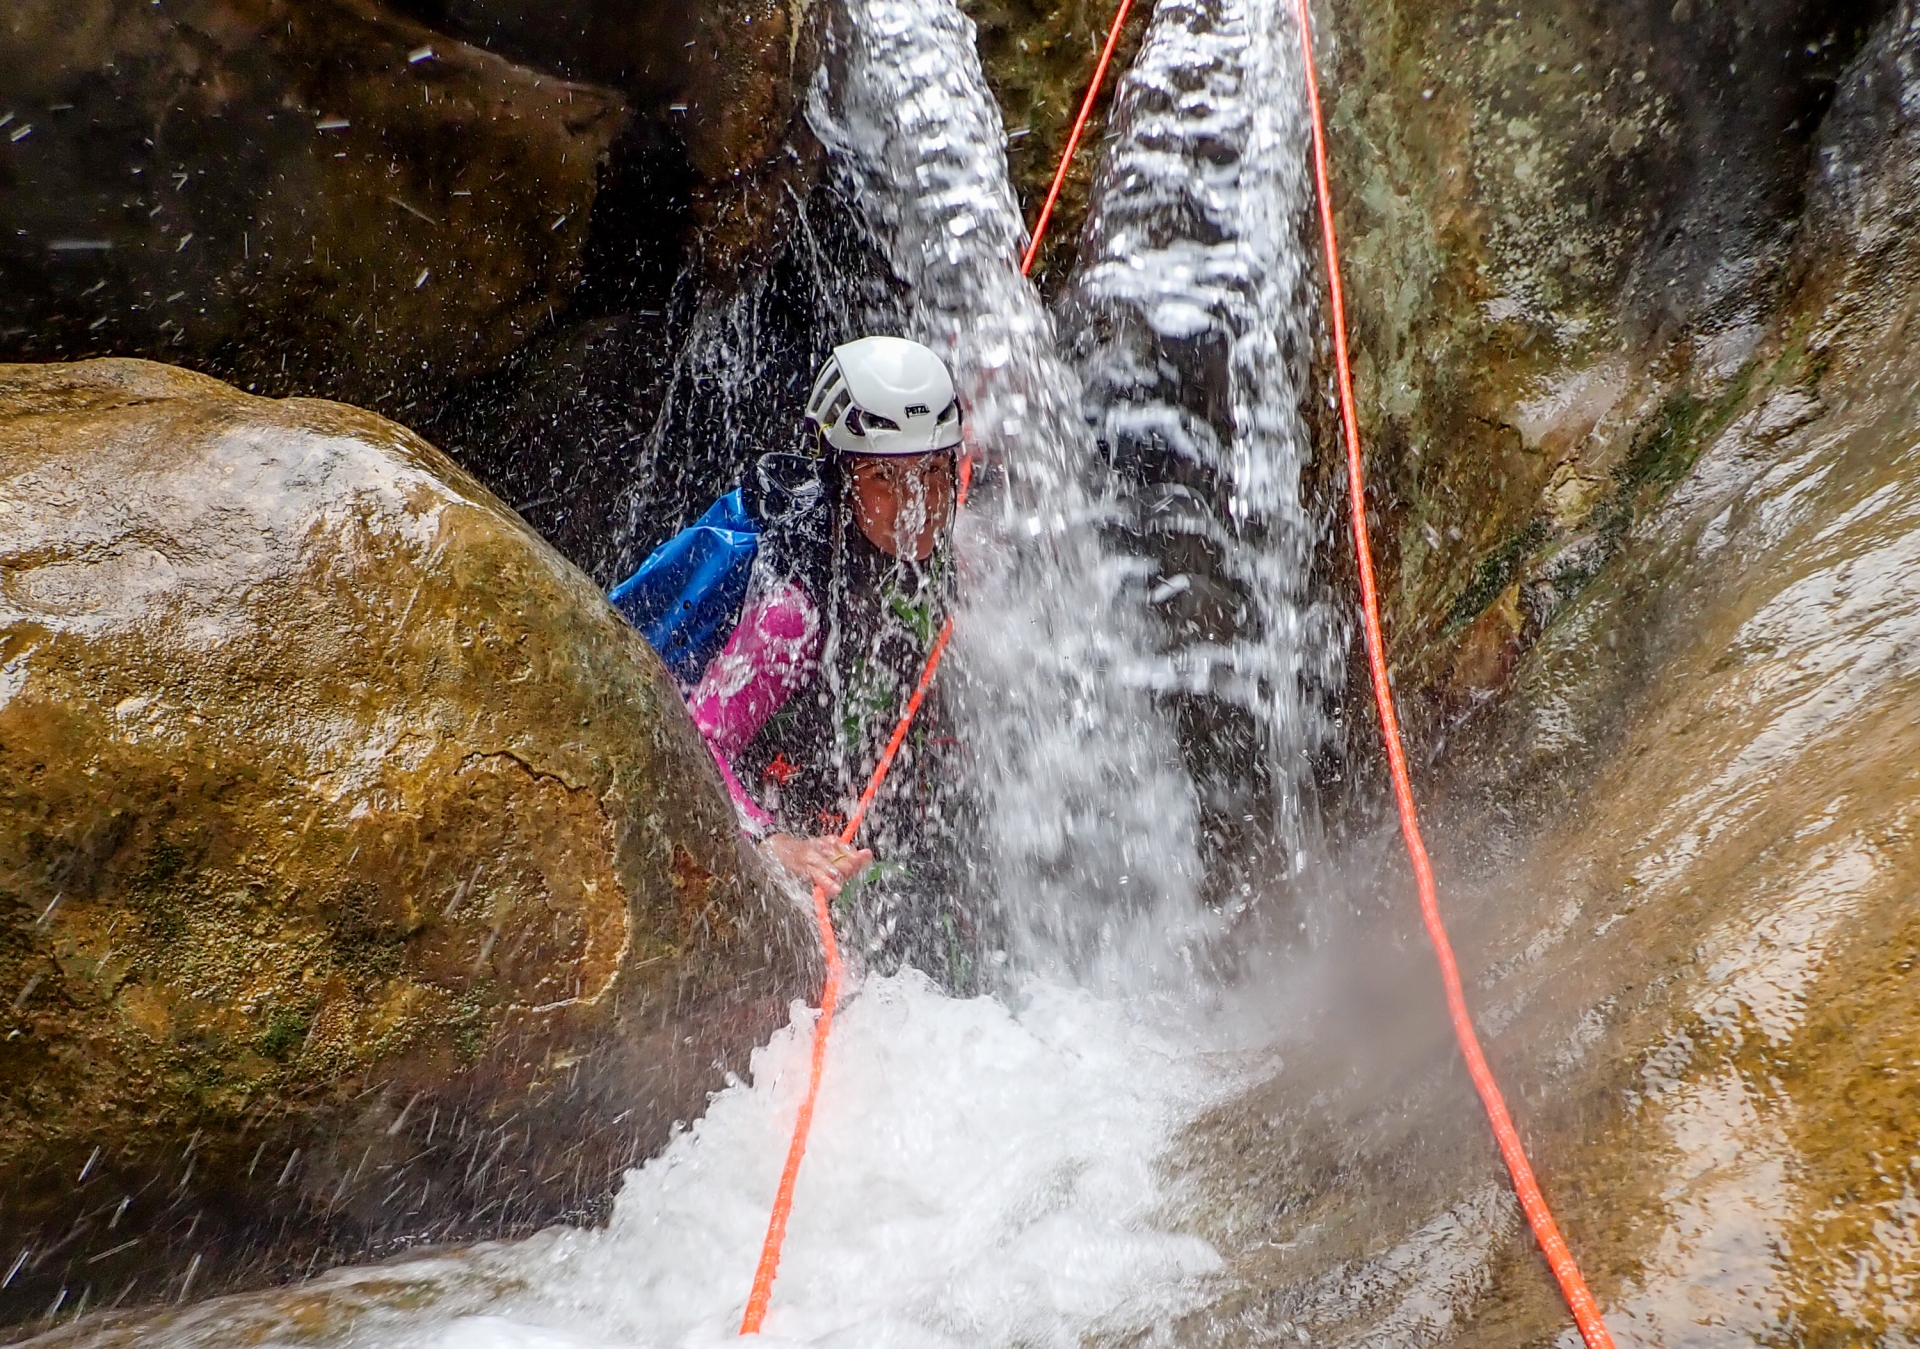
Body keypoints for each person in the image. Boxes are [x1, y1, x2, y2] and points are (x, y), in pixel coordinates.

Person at [629, 336, 964, 907]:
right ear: (841, 477)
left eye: (934, 471)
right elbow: (697, 738)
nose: (917, 501)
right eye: (886, 479)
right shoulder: (794, 614)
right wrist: (775, 842)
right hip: (773, 791)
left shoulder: (909, 546)